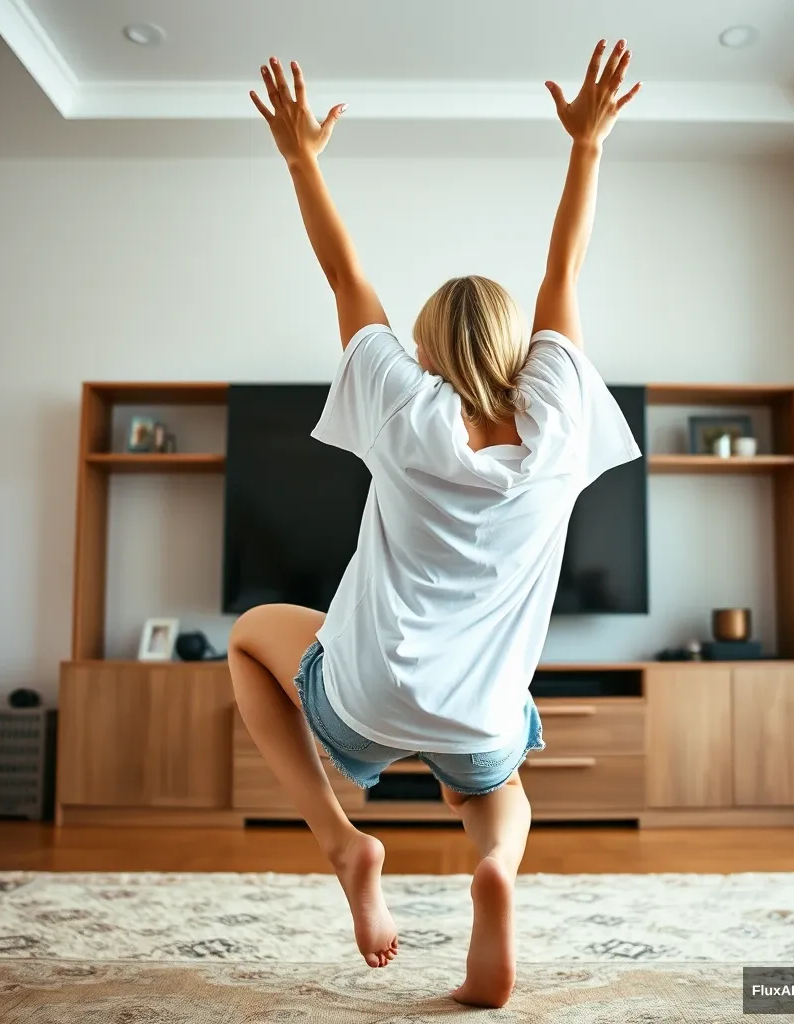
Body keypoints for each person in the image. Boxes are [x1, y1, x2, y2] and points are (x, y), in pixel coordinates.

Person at [230, 39, 642, 1009]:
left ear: (418, 352)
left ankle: (344, 842)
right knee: (496, 791)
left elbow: (346, 279)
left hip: (367, 696)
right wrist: (586, 145)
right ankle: (493, 865)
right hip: (481, 710)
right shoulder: (552, 421)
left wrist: (302, 157)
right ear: (522, 351)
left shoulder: (406, 411)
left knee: (249, 643)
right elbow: (563, 270)